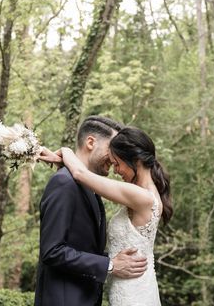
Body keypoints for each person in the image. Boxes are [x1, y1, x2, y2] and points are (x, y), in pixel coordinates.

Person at [34, 116, 148, 306]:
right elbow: (52, 251)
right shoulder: (64, 183)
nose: (114, 158)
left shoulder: (87, 185)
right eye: (112, 149)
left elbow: (84, 247)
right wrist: (110, 265)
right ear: (90, 142)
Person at [54, 126, 173, 306]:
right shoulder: (145, 193)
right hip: (131, 287)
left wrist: (65, 151)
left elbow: (80, 174)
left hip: (133, 295)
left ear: (136, 160)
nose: (115, 171)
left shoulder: (141, 196)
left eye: (117, 163)